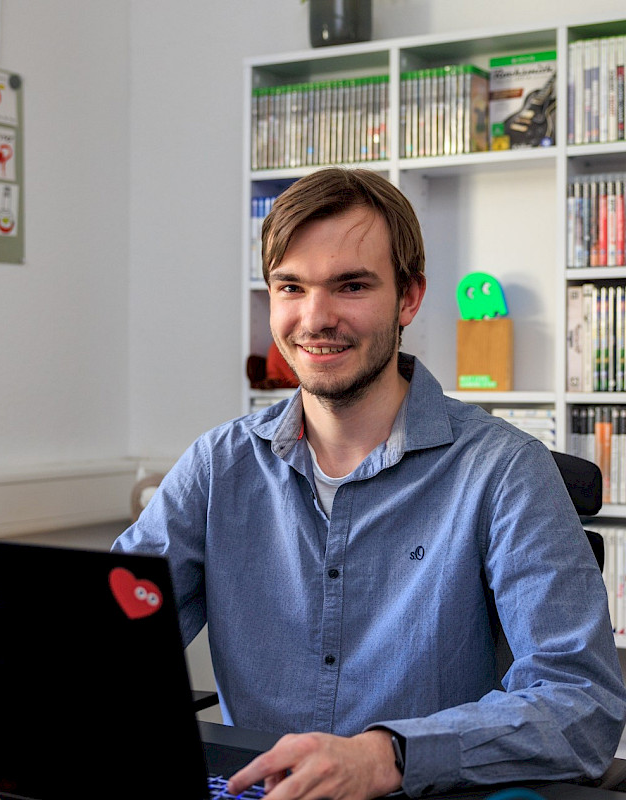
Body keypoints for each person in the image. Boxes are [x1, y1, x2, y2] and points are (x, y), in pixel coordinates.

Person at [112, 167, 626, 800]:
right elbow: (106, 640)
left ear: (409, 298)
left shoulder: (504, 470)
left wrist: (388, 757)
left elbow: (582, 704)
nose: (315, 317)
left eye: (350, 285)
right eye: (291, 286)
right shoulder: (218, 466)